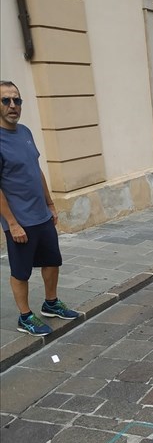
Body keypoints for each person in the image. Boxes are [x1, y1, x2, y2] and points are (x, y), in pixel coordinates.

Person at [0, 80, 80, 336]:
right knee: (21, 271)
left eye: (17, 100)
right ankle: (24, 317)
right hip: (19, 220)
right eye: (6, 100)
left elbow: (36, 170)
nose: (13, 105)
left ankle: (51, 303)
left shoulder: (24, 132)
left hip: (41, 215)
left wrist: (50, 203)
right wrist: (12, 223)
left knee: (52, 261)